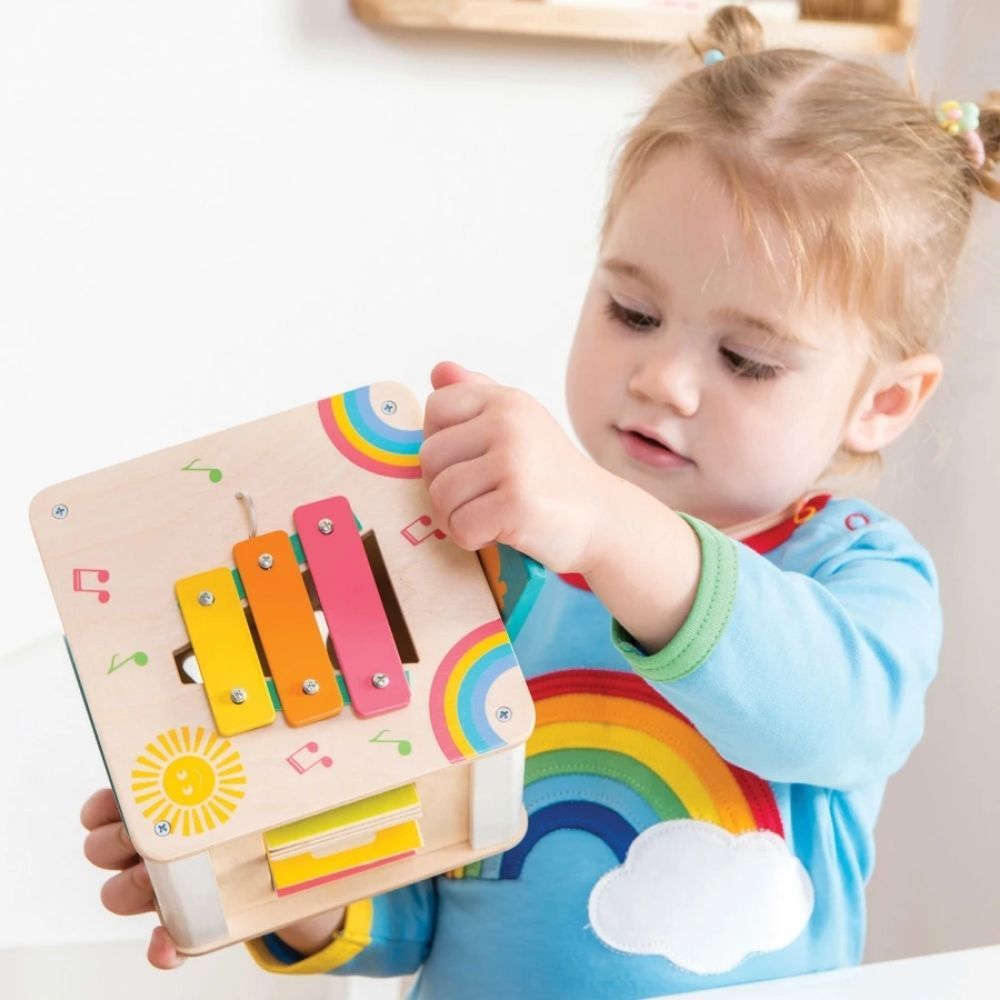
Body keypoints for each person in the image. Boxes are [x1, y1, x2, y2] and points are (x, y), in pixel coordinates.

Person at [80, 6, 999, 996]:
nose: (664, 380)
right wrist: (272, 867)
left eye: (746, 359)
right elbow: (417, 901)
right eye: (631, 311)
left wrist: (607, 524)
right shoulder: (491, 563)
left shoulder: (855, 570)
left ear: (883, 401)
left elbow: (828, 715)